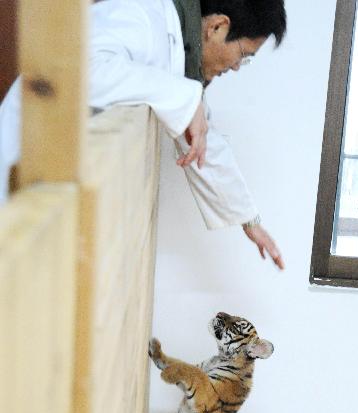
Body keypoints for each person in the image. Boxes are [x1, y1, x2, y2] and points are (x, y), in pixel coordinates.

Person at [0, 0, 286, 269]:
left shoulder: (180, 53)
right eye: (244, 55)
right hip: (20, 164)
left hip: (48, 190)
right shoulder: (143, 16)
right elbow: (78, 72)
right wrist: (185, 98)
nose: (237, 67)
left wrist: (250, 222)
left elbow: (204, 142)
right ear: (217, 27)